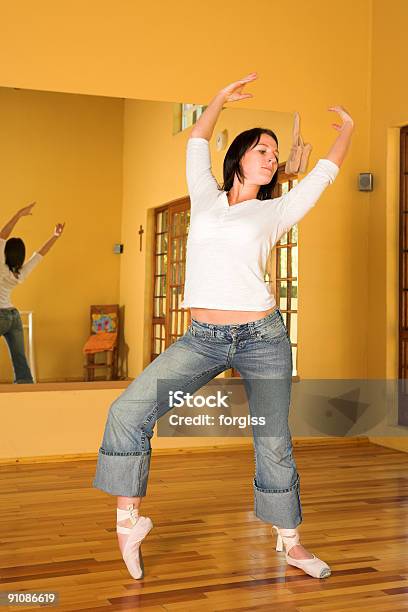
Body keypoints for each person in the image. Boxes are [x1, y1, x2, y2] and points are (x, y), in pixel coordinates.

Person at [93, 72, 354, 580]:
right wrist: (216, 101)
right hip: (202, 340)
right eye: (261, 149)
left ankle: (292, 543)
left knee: (272, 440)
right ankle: (129, 520)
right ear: (238, 157)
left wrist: (347, 131)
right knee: (128, 410)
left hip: (263, 340)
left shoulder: (277, 210)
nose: (270, 157)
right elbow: (195, 141)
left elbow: (324, 174)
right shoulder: (207, 200)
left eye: (274, 154)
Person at [0, 201, 65, 383]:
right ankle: (26, 389)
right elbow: (40, 254)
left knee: (20, 358)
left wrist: (19, 214)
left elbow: (2, 235)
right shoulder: (19, 273)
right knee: (20, 360)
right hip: (13, 317)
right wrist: (55, 236)